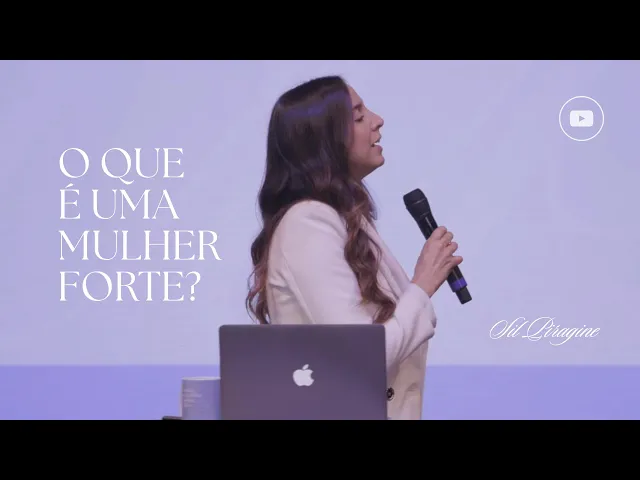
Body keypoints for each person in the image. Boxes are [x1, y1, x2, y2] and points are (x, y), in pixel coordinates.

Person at [245, 75, 463, 420]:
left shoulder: (347, 219)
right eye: (359, 117)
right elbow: (364, 355)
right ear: (325, 141)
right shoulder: (307, 223)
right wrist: (421, 285)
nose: (378, 121)